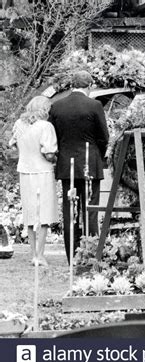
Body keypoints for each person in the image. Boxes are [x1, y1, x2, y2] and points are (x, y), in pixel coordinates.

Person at [49, 70, 109, 264]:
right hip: (90, 162)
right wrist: (99, 153)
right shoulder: (94, 105)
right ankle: (91, 254)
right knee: (90, 209)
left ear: (72, 84)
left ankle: (72, 257)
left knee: (70, 211)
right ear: (89, 85)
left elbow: (52, 135)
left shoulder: (57, 106)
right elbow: (104, 136)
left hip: (67, 164)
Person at [9, 96, 58, 267]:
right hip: (42, 171)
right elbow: (49, 152)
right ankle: (40, 254)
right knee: (43, 214)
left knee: (30, 213)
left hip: (25, 170)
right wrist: (55, 160)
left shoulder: (19, 124)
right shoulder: (46, 126)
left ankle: (33, 254)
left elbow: (13, 145)